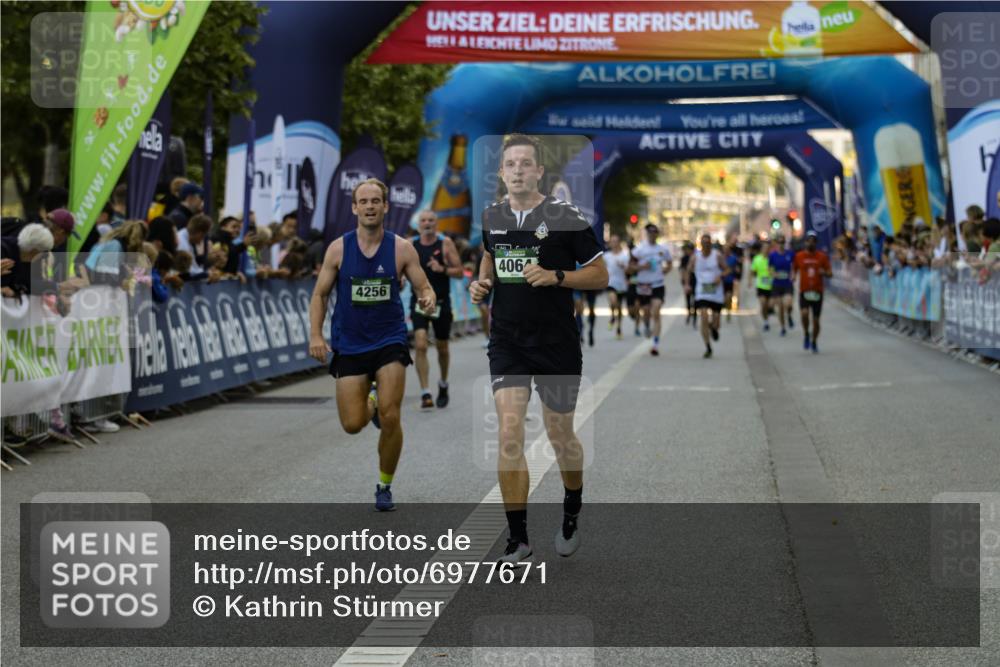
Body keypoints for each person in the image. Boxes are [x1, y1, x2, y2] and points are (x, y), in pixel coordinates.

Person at [468, 134, 608, 565]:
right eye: (510, 164)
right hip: (508, 341)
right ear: (502, 173)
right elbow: (489, 259)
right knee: (509, 432)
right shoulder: (492, 216)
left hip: (556, 342)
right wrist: (481, 284)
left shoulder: (566, 217)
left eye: (525, 164)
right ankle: (518, 539)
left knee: (560, 434)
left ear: (539, 171)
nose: (517, 170)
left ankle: (571, 505)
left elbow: (600, 275)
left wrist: (558, 277)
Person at [309, 179, 436, 512]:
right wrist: (316, 335)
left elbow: (424, 286)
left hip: (389, 339)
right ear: (354, 207)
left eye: (375, 201)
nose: (369, 206)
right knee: (352, 425)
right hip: (349, 343)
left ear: (385, 207)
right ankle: (372, 398)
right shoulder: (338, 249)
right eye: (362, 201)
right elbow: (320, 294)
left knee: (391, 417)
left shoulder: (401, 248)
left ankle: (384, 484)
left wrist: (428, 298)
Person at [410, 210, 463, 409]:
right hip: (420, 302)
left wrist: (443, 269)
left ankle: (443, 382)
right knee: (421, 344)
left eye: (431, 220)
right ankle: (425, 392)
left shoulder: (445, 243)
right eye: (423, 220)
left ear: (436, 223)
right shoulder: (411, 245)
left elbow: (460, 272)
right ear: (419, 224)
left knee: (442, 347)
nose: (427, 224)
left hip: (441, 302)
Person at [630, 223, 672, 355]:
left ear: (657, 234)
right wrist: (642, 267)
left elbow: (669, 263)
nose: (653, 235)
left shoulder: (663, 249)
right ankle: (647, 325)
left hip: (658, 284)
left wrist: (666, 269)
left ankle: (655, 344)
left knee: (656, 312)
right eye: (650, 232)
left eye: (655, 232)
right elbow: (630, 266)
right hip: (643, 285)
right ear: (647, 234)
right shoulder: (639, 249)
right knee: (646, 312)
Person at [688, 233, 729, 358]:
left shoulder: (717, 256)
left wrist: (720, 276)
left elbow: (727, 269)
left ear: (711, 243)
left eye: (708, 243)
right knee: (704, 317)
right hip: (702, 292)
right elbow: (688, 269)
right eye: (703, 243)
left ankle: (714, 328)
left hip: (716, 293)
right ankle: (708, 346)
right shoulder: (696, 257)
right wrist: (687, 284)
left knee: (716, 322)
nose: (706, 245)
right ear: (700, 244)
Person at [793, 231, 833, 353]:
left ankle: (814, 341)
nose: (811, 243)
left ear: (816, 243)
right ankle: (806, 333)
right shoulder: (799, 256)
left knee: (816, 320)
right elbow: (794, 269)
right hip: (804, 291)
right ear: (805, 242)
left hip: (817, 291)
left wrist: (824, 273)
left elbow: (830, 273)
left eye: (813, 241)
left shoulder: (822, 257)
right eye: (808, 240)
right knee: (804, 314)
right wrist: (793, 276)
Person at [768, 233, 796, 336]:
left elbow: (794, 267)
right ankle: (783, 327)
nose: (781, 244)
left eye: (782, 242)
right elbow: (769, 268)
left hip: (787, 283)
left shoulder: (790, 254)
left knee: (788, 303)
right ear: (776, 243)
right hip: (777, 284)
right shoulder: (772, 255)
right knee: (780, 307)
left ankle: (789, 315)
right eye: (779, 242)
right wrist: (773, 274)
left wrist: (793, 275)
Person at [603, 234, 630, 339]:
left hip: (621, 285)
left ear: (619, 243)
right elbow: (602, 268)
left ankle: (619, 327)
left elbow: (629, 271)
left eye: (615, 241)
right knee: (613, 301)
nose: (613, 243)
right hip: (610, 283)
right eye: (612, 241)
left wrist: (623, 266)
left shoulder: (624, 256)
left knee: (619, 308)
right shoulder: (606, 256)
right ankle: (612, 316)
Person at [750, 240, 774, 331]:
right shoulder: (757, 258)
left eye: (768, 248)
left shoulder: (773, 258)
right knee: (763, 304)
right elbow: (752, 271)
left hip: (772, 286)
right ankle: (766, 321)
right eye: (764, 248)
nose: (766, 250)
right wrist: (750, 281)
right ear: (761, 249)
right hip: (761, 286)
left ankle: (768, 313)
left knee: (769, 305)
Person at [722, 236, 743, 322]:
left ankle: (728, 311)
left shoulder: (734, 258)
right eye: (724, 249)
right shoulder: (720, 257)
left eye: (727, 249)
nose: (726, 251)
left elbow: (738, 268)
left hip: (730, 280)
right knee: (724, 298)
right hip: (722, 281)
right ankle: (726, 308)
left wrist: (736, 274)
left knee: (729, 297)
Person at [678, 241, 697, 327]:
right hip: (687, 280)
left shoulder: (697, 257)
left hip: (696, 280)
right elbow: (682, 269)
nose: (687, 251)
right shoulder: (684, 258)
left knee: (696, 299)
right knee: (688, 298)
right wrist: (684, 281)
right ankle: (689, 313)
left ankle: (695, 317)